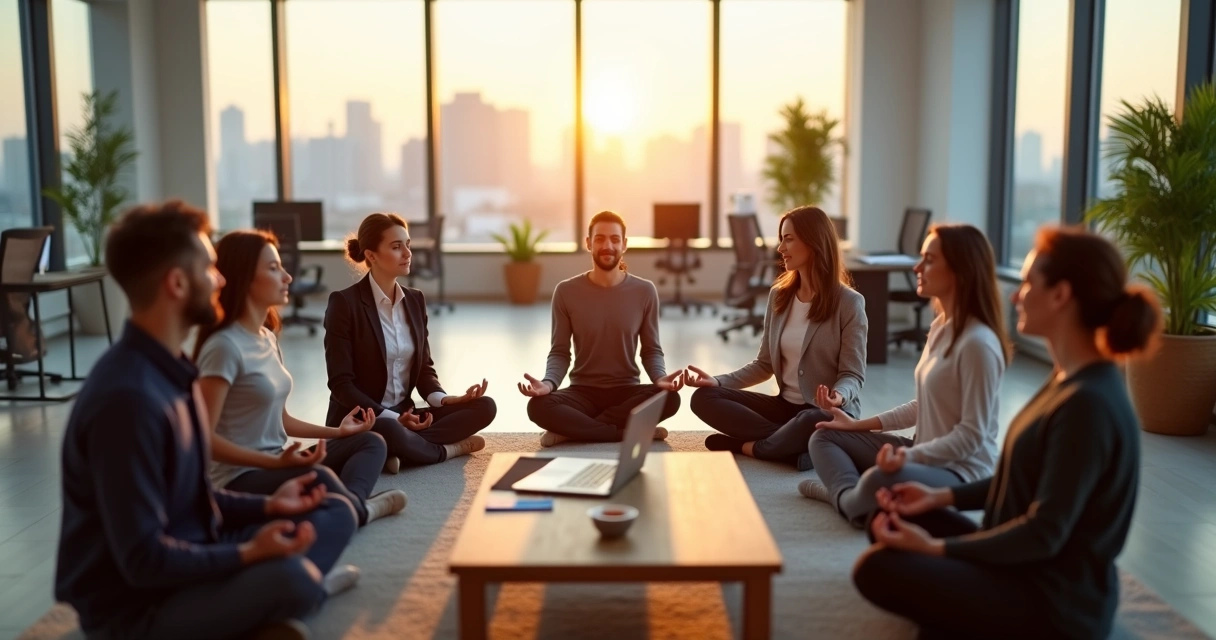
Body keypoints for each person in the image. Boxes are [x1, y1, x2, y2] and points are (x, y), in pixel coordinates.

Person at [56, 201, 360, 640]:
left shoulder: (171, 369)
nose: (220, 280)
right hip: (138, 609)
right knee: (291, 578)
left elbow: (195, 499)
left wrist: (270, 506)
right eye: (209, 268)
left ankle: (278, 602)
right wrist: (250, 554)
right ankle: (295, 594)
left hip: (194, 550)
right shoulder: (128, 400)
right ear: (177, 283)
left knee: (333, 509)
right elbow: (143, 562)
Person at [852, 226, 1162, 640]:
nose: (1015, 295)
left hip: (1053, 601)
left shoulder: (1089, 404)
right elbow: (1021, 479)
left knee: (876, 569)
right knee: (885, 517)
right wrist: (939, 496)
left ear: (1060, 295)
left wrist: (935, 550)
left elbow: (1043, 533)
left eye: (1028, 283)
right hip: (1017, 563)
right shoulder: (1068, 379)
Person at [195, 230, 407, 528]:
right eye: (273, 268)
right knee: (320, 476)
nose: (287, 277)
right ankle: (358, 510)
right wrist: (275, 463)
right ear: (244, 277)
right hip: (238, 478)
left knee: (370, 441)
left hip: (278, 461)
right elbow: (203, 440)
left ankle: (347, 507)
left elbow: (282, 420)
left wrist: (340, 433)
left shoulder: (267, 337)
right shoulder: (223, 347)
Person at [803, 224, 1010, 526]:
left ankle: (843, 498)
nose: (917, 266)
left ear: (960, 270)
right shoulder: (942, 327)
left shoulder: (978, 343)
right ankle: (851, 497)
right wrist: (858, 426)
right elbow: (920, 406)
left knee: (878, 478)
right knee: (823, 436)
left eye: (929, 259)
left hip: (959, 470)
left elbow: (972, 436)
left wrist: (908, 459)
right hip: (921, 449)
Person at [682, 205, 866, 470]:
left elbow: (853, 375)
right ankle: (790, 446)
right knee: (703, 398)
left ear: (814, 242)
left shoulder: (849, 303)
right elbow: (764, 365)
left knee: (809, 420)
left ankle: (750, 446)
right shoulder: (779, 296)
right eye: (781, 239)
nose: (780, 248)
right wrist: (717, 381)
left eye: (788, 239)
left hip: (825, 412)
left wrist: (838, 396)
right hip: (784, 410)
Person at [325, 213, 494, 472]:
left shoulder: (415, 300)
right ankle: (445, 450)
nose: (407, 253)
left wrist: (448, 400)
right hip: (366, 419)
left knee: (485, 406)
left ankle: (399, 450)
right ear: (371, 255)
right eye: (396, 247)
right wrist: (395, 418)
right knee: (389, 429)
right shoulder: (344, 304)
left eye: (408, 244)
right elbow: (341, 386)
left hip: (407, 415)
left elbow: (424, 369)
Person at [519, 210, 684, 446]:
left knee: (670, 398)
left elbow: (651, 350)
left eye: (615, 239)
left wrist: (659, 378)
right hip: (582, 392)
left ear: (624, 244)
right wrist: (548, 384)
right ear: (588, 243)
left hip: (627, 391)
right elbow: (560, 352)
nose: (608, 245)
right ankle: (624, 431)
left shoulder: (645, 291)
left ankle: (575, 431)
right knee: (538, 406)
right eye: (600, 239)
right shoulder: (566, 291)